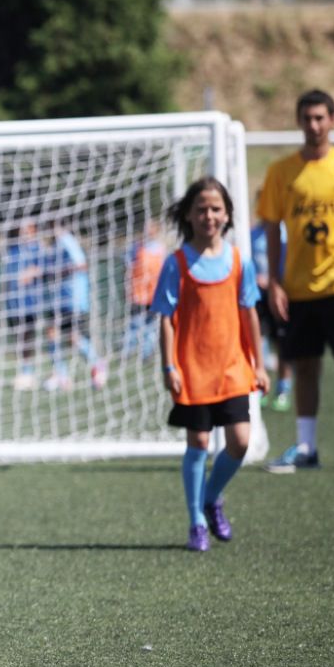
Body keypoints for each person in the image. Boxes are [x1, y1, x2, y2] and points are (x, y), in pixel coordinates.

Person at [152, 178, 268, 551]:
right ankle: (197, 522)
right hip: (193, 370)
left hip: (233, 367)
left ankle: (210, 496)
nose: (209, 215)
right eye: (201, 209)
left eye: (216, 208)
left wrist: (259, 365)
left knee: (240, 441)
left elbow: (249, 314)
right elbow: (166, 319)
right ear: (188, 214)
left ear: (227, 214)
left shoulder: (238, 260)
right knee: (199, 441)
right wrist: (169, 367)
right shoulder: (177, 263)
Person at [257, 89, 334, 473]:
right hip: (298, 289)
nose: (314, 125)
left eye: (320, 117)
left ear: (333, 120)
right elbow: (272, 229)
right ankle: (306, 448)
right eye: (307, 118)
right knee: (304, 367)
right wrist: (275, 281)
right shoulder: (281, 172)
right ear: (298, 121)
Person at [46, 220, 107, 390]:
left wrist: (59, 272)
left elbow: (81, 265)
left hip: (73, 299)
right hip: (61, 299)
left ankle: (97, 364)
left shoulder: (67, 240)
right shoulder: (56, 244)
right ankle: (62, 375)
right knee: (53, 334)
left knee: (73, 337)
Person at [250, 215, 292, 411]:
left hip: (280, 293)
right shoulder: (252, 234)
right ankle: (260, 386)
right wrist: (256, 278)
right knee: (257, 339)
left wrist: (275, 281)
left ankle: (283, 389)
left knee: (283, 343)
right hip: (259, 295)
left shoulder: (284, 233)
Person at [3, 217, 49, 390]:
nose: (24, 233)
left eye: (28, 229)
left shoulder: (38, 248)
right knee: (19, 339)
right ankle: (25, 372)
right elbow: (9, 276)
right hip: (14, 303)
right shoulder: (13, 250)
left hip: (31, 302)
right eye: (22, 230)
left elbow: (43, 268)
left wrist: (31, 272)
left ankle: (31, 372)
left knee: (28, 337)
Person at [123, 218, 168, 361]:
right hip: (138, 293)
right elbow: (128, 267)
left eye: (150, 228)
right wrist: (127, 286)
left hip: (154, 293)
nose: (147, 231)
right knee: (135, 323)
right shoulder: (136, 248)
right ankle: (127, 352)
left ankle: (146, 354)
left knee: (151, 324)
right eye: (145, 228)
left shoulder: (161, 249)